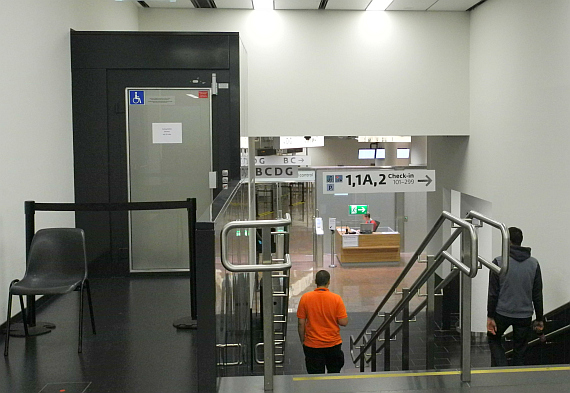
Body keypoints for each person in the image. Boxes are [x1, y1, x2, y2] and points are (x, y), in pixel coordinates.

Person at [487, 226, 544, 366]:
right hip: (524, 316)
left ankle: (502, 368)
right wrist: (540, 318)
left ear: (507, 241)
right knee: (520, 348)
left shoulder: (498, 263)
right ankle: (516, 375)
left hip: (502, 313)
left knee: (493, 339)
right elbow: (537, 294)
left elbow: (493, 293)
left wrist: (490, 316)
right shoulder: (534, 264)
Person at [297, 270, 348, 374]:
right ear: (328, 282)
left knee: (315, 377)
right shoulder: (336, 299)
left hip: (312, 345)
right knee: (334, 374)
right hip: (333, 344)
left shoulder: (305, 298)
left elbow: (301, 323)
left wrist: (303, 340)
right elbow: (343, 322)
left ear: (315, 281)